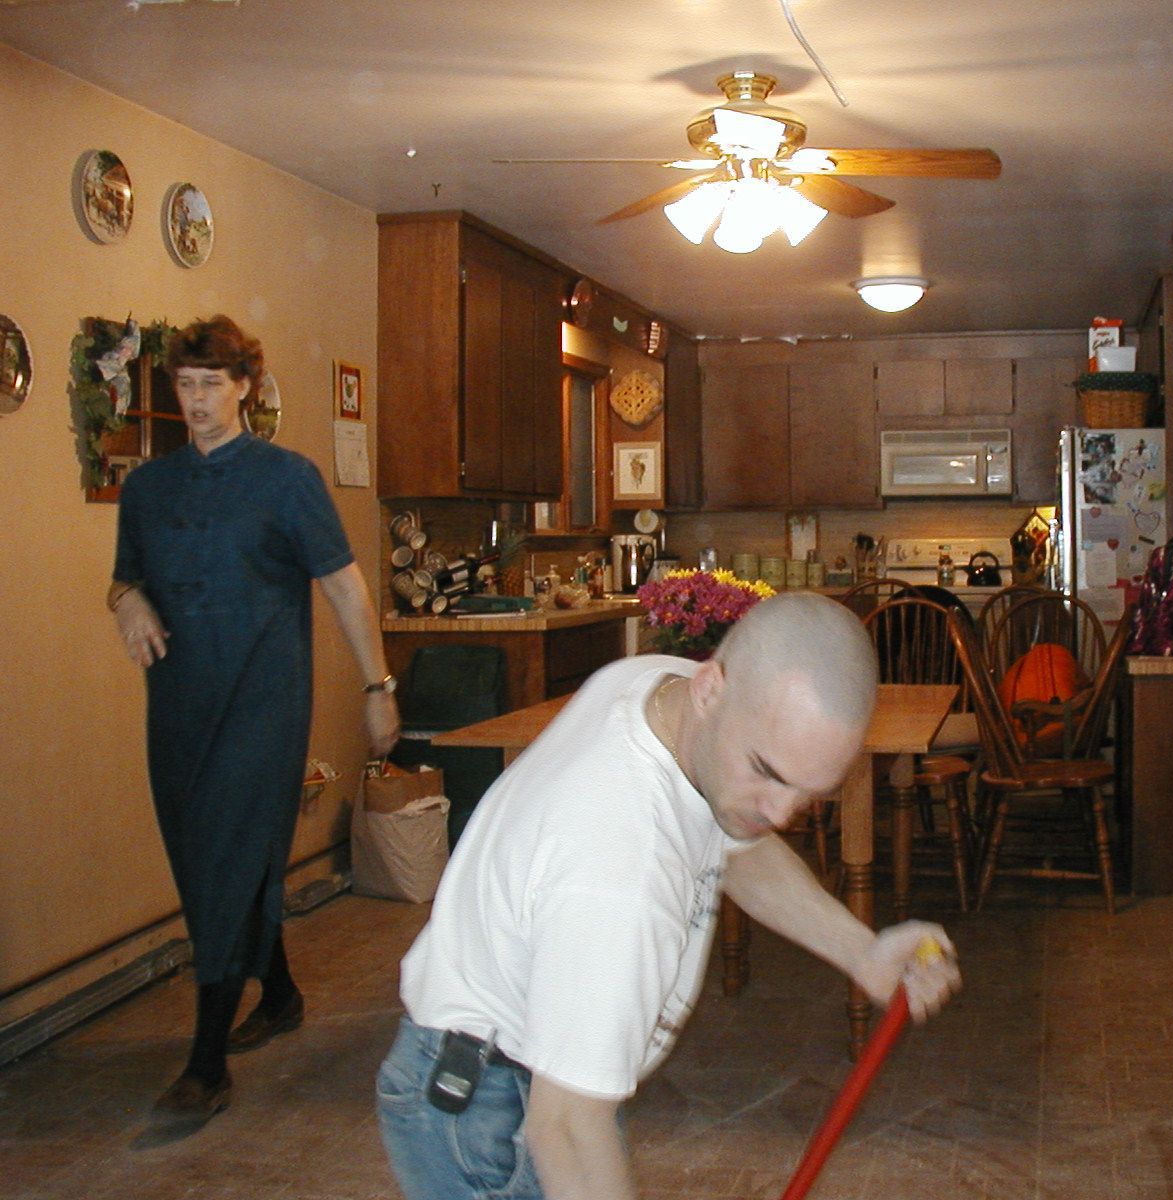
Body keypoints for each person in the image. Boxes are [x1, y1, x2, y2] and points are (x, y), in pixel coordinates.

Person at [377, 592, 961, 1200]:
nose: (783, 813)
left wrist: (861, 951)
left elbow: (737, 841)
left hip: (535, 1074)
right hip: (492, 1117)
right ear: (712, 690)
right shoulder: (618, 869)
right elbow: (566, 1130)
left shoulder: (662, 691)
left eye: (810, 794)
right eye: (767, 771)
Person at [109, 315, 400, 1129]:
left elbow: (344, 587)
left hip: (263, 705)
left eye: (212, 384)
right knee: (204, 857)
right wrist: (127, 602)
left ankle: (204, 1066)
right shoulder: (147, 489)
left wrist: (377, 685)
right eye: (186, 385)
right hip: (178, 705)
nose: (197, 401)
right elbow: (122, 579)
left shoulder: (287, 480)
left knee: (230, 856)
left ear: (245, 387)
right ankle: (278, 990)